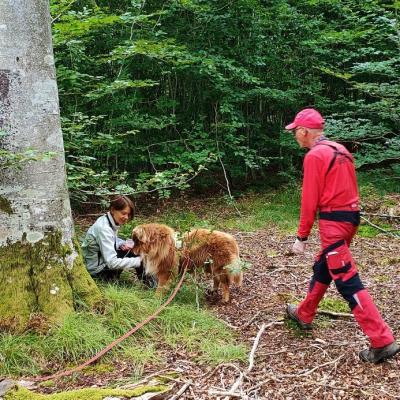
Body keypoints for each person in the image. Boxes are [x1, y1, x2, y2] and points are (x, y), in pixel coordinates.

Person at [284, 108, 399, 363]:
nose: (295, 136)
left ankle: (382, 340)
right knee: (324, 266)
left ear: (304, 131)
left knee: (346, 280)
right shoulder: (341, 150)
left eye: (295, 132)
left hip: (333, 222)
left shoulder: (315, 156)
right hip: (351, 219)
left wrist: (301, 236)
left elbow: (309, 200)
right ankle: (304, 313)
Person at [82, 195, 154, 286]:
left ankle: (150, 283)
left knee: (134, 247)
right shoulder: (104, 229)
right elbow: (112, 263)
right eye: (123, 213)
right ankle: (152, 285)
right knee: (137, 252)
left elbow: (111, 240)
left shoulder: (108, 220)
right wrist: (139, 261)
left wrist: (121, 243)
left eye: (128, 214)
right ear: (112, 210)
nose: (126, 217)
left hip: (102, 264)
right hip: (99, 273)